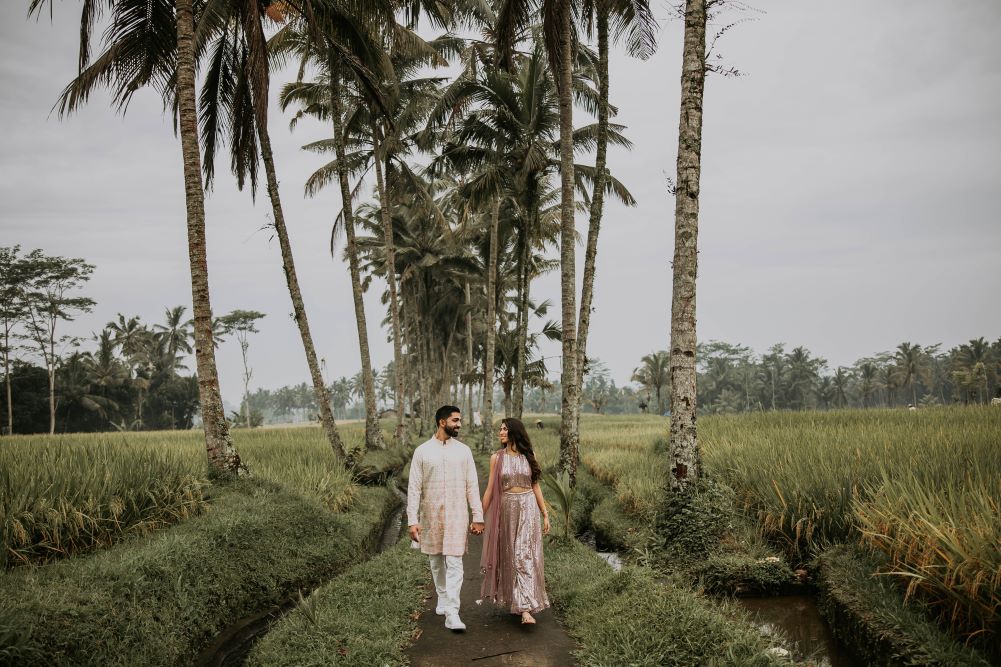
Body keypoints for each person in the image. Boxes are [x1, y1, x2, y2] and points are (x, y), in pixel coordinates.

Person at [407, 405, 484, 631]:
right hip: (431, 515)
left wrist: (477, 515)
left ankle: (452, 612)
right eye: (455, 420)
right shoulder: (422, 451)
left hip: (457, 514)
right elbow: (413, 488)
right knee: (435, 560)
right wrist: (413, 520)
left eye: (459, 420)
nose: (459, 424)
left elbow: (472, 486)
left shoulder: (464, 451)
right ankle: (442, 596)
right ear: (442, 422)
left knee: (455, 561)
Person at [479, 418, 551, 624]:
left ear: (514, 432)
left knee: (524, 553)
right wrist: (478, 517)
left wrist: (544, 513)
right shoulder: (497, 458)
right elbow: (491, 489)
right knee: (511, 554)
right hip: (507, 509)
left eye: (504, 429)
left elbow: (535, 485)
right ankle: (518, 601)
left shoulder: (529, 456)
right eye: (500, 429)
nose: (500, 432)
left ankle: (526, 608)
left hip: (528, 507)